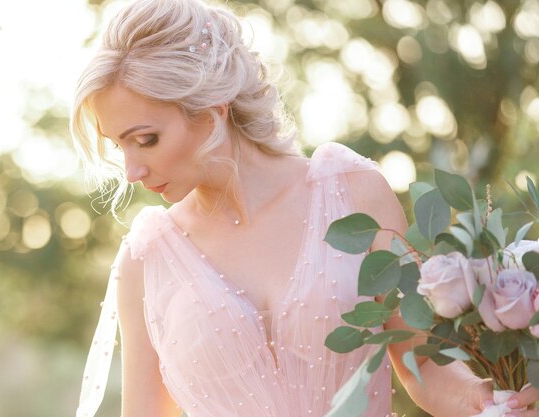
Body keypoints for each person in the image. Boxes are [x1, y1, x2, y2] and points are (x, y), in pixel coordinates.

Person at [70, 0, 539, 416]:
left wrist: (480, 398)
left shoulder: (351, 193)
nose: (132, 170)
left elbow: (421, 364)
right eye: (118, 146)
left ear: (212, 106)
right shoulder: (146, 259)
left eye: (146, 140)